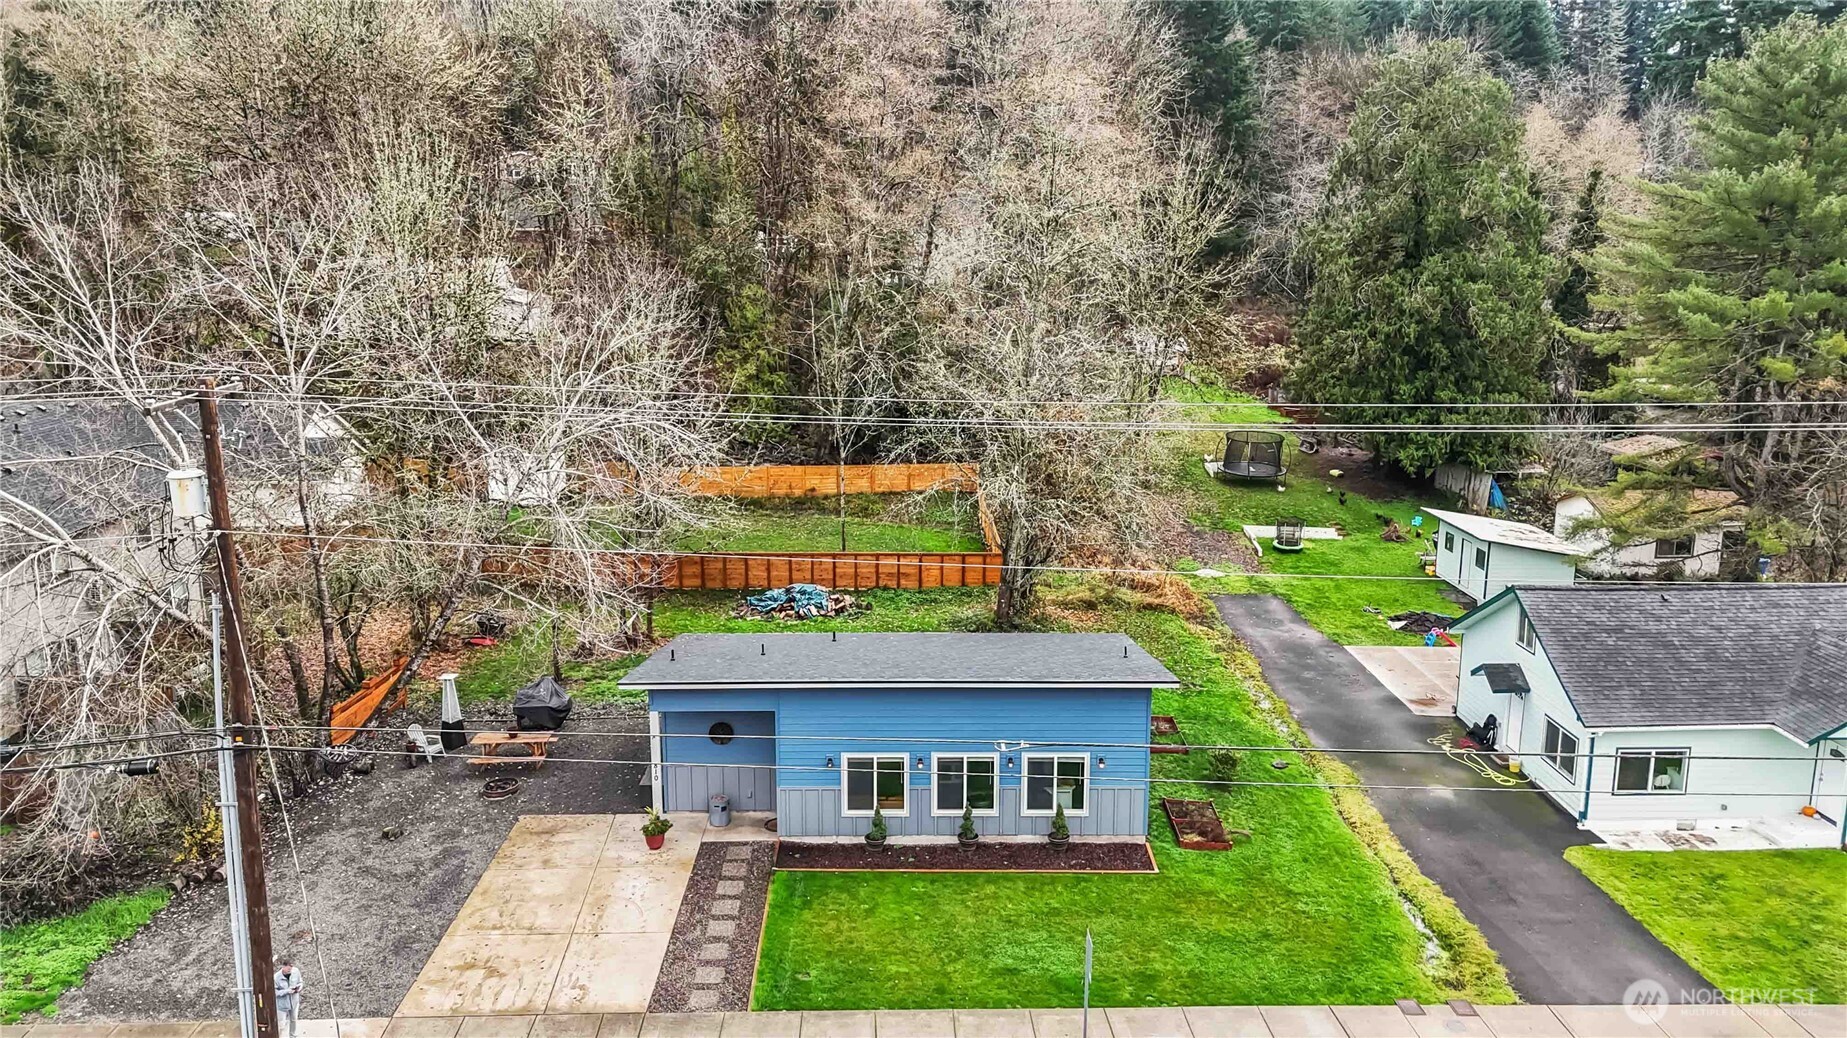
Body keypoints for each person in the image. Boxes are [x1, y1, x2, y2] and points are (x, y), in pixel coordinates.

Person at [274, 959, 304, 1038]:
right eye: (288, 969)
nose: (289, 971)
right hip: (282, 1005)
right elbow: (275, 992)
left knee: (293, 1020)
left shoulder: (296, 971)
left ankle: (293, 1035)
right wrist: (287, 991)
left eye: (291, 969)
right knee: (281, 1024)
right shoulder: (276, 977)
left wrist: (299, 988)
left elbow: (300, 982)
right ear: (283, 967)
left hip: (294, 1002)